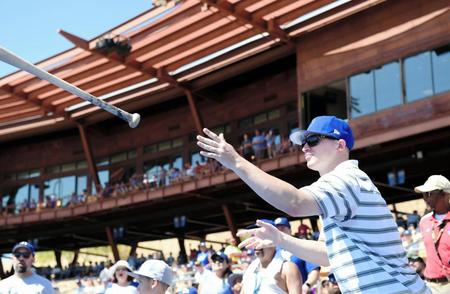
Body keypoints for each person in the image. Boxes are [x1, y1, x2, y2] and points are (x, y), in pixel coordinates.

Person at [197, 115, 429, 293]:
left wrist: (237, 162)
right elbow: (328, 255)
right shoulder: (340, 188)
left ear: (340, 145)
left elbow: (295, 203)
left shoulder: (346, 178)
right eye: (304, 142)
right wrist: (281, 240)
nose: (304, 147)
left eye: (313, 140)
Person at [241, 220, 302, 294]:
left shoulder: (287, 268)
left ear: (273, 240)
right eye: (253, 236)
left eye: (261, 236)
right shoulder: (250, 269)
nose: (255, 241)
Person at [415, 175, 450, 293]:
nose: (425, 198)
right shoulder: (424, 222)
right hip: (430, 286)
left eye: (429, 193)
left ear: (444, 194)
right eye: (423, 194)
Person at [274, 217, 320, 294]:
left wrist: (307, 285)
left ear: (290, 230)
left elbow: (314, 270)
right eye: (277, 229)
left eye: (282, 228)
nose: (280, 231)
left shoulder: (300, 247)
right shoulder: (273, 250)